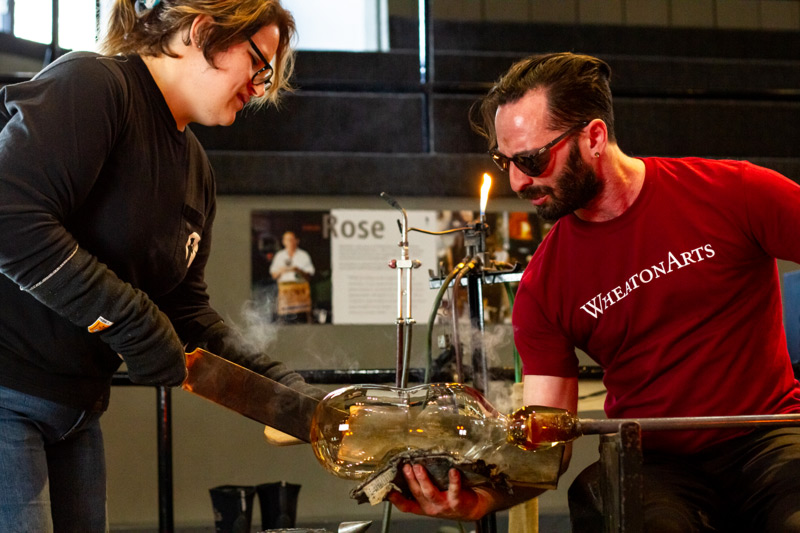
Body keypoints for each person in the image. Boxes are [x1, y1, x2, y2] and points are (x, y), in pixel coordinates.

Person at [388, 52, 800, 531]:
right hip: (654, 462)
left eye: (532, 159)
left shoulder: (734, 193)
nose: (518, 180)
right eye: (506, 161)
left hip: (769, 436)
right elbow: (548, 443)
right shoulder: (545, 286)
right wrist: (480, 498)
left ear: (595, 137)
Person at [0, 1, 322, 530]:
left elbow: (185, 313)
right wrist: (131, 321)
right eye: (259, 64)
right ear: (202, 32)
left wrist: (292, 397)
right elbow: (10, 219)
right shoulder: (95, 85)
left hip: (77, 411)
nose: (261, 88)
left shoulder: (196, 168)